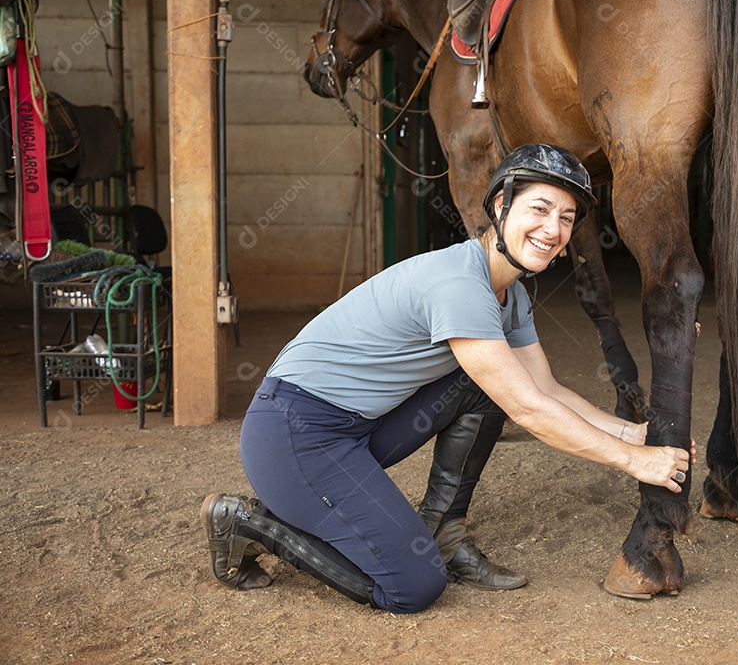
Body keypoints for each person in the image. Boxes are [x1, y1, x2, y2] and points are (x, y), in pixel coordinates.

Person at [200, 143, 693, 614]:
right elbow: (529, 410)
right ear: (501, 205)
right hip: (293, 434)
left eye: (566, 218)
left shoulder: (511, 296)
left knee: (487, 383)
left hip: (357, 429)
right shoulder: (460, 284)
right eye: (540, 209)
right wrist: (633, 461)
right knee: (412, 587)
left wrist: (635, 433)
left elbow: (544, 390)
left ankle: (441, 532)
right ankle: (250, 523)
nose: (554, 228)